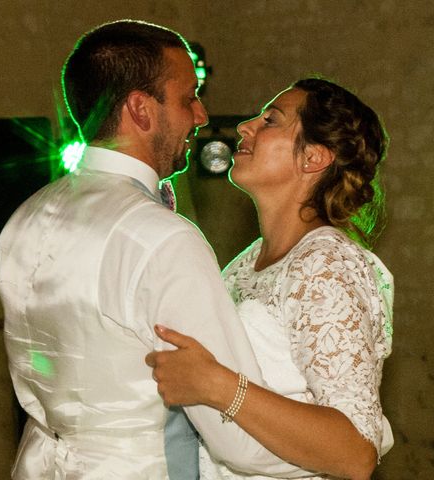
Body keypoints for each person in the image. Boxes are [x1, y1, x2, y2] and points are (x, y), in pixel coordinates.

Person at [0, 20, 317, 479]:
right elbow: (239, 438)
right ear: (141, 110)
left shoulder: (26, 216)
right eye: (189, 98)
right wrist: (342, 443)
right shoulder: (161, 239)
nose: (202, 116)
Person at [146, 77, 394, 480]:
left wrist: (217, 385)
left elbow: (355, 452)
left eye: (270, 121)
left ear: (313, 157)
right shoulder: (246, 263)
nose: (245, 127)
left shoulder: (326, 264)